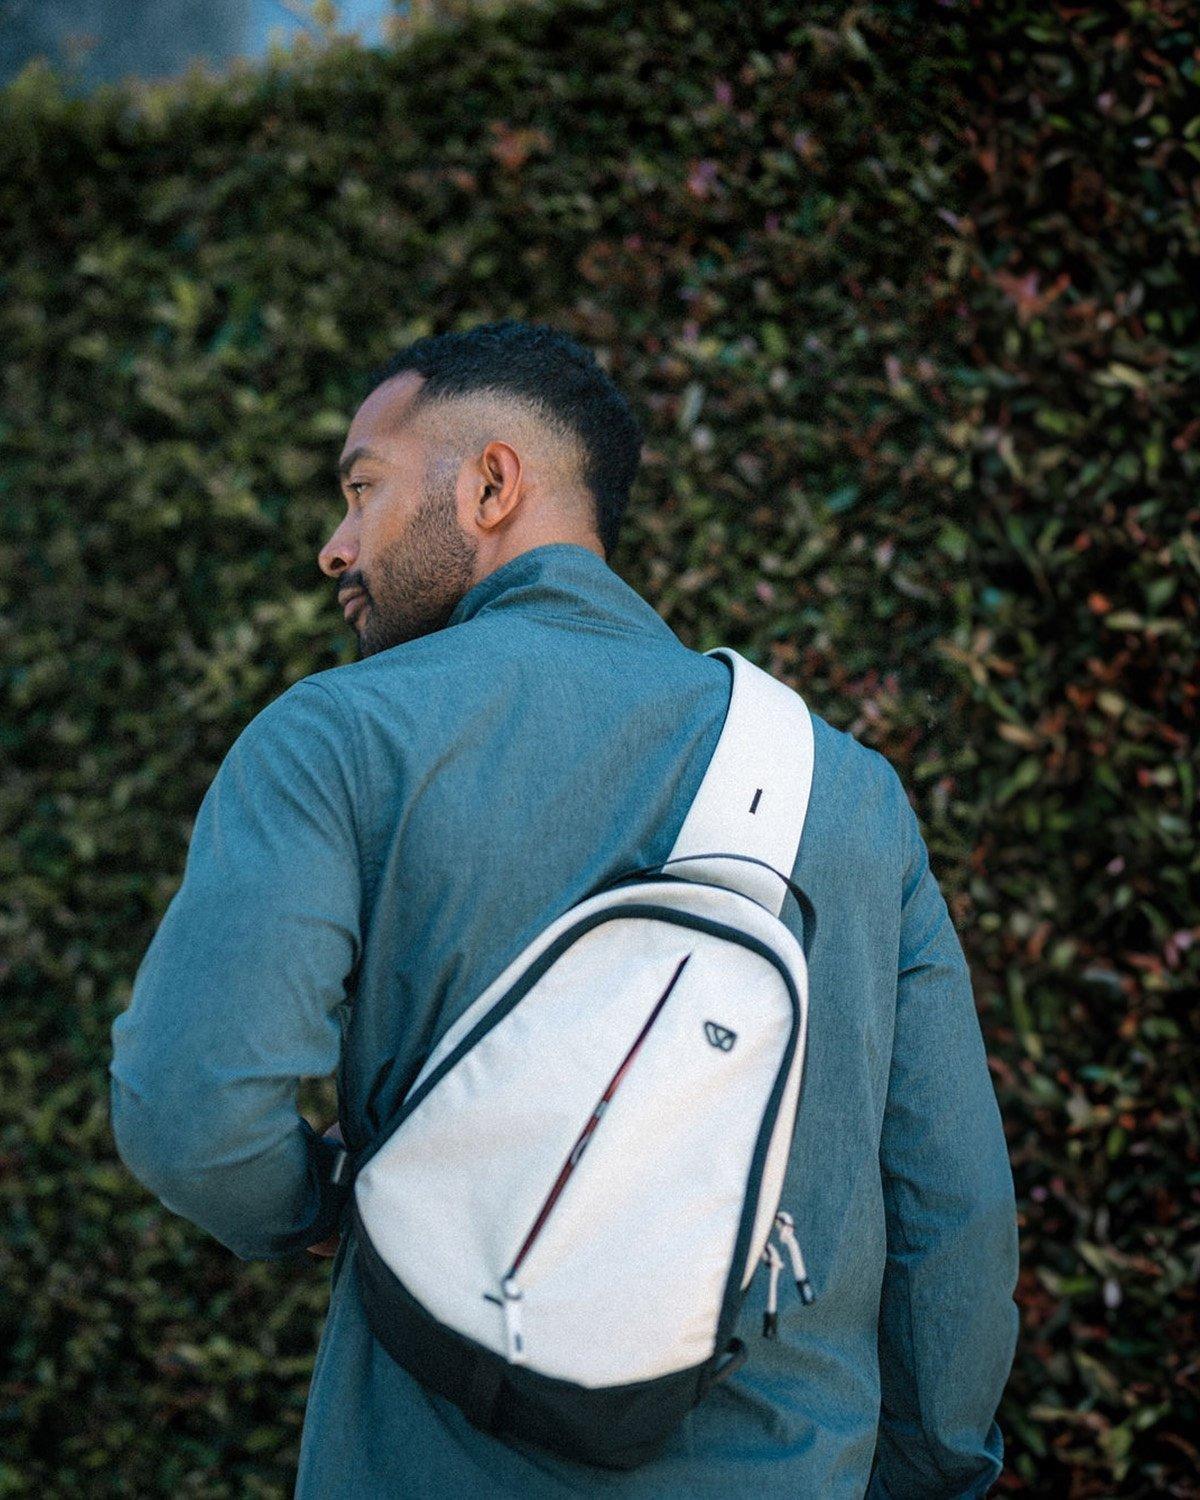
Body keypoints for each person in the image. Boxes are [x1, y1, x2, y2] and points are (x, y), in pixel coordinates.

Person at [108, 319, 1019, 1497]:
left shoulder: (341, 737)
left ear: (491, 485)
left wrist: (324, 1204)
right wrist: (930, 1469)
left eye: (362, 489)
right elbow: (949, 1206)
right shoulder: (844, 792)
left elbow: (192, 1112)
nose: (336, 548)